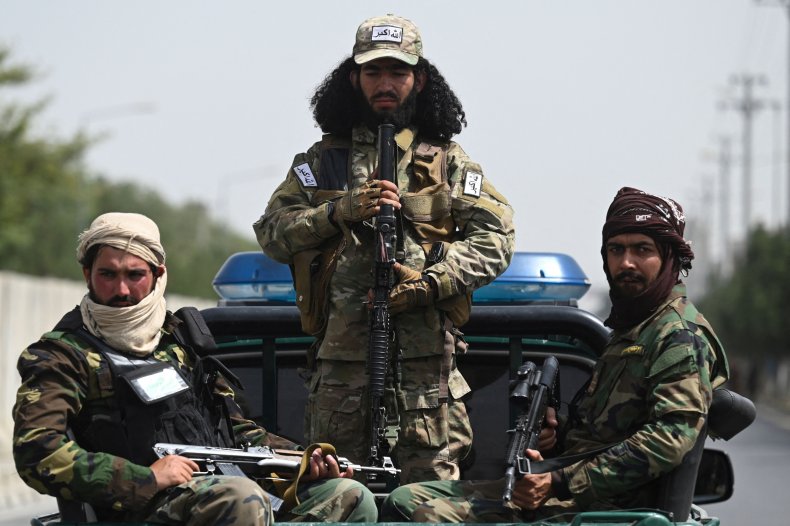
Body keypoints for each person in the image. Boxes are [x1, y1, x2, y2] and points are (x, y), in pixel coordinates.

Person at [253, 14, 514, 483]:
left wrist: (430, 284)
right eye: (373, 72)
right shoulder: (321, 163)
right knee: (337, 498)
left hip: (426, 378)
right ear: (354, 78)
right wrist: (338, 212)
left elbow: (497, 238)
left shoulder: (448, 163)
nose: (386, 83)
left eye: (398, 72)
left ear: (420, 79)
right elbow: (272, 232)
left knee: (428, 504)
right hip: (341, 374)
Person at [380, 186, 730, 521]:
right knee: (404, 498)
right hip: (569, 493)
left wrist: (559, 481)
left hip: (605, 509)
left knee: (425, 516)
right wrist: (557, 435)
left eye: (642, 250)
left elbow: (669, 439)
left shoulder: (679, 336)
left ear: (669, 256)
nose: (626, 263)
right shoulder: (634, 329)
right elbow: (605, 431)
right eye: (616, 250)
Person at [13, 212, 377, 525]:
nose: (121, 289)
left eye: (134, 274)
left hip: (225, 491)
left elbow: (236, 433)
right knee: (242, 498)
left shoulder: (179, 340)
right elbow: (37, 451)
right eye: (107, 274)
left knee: (349, 495)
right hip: (142, 506)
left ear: (157, 274)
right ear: (87, 274)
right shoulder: (63, 354)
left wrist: (299, 458)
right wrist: (145, 479)